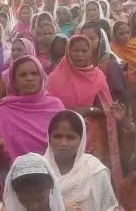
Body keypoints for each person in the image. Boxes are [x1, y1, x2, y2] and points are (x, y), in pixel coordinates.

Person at [46, 34, 123, 178]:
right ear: (68, 51)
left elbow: (107, 108)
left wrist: (87, 109)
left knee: (90, 177)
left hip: (92, 135)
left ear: (90, 53)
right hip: (63, 135)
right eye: (76, 50)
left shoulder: (97, 76)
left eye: (84, 51)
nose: (80, 54)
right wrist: (70, 113)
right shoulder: (54, 78)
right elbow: (48, 109)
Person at [0, 56, 64, 173]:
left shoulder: (55, 106)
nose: (29, 78)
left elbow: (65, 145)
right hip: (15, 176)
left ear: (42, 76)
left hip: (53, 174)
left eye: (34, 73)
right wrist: (0, 147)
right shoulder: (4, 111)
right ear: (14, 81)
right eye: (23, 75)